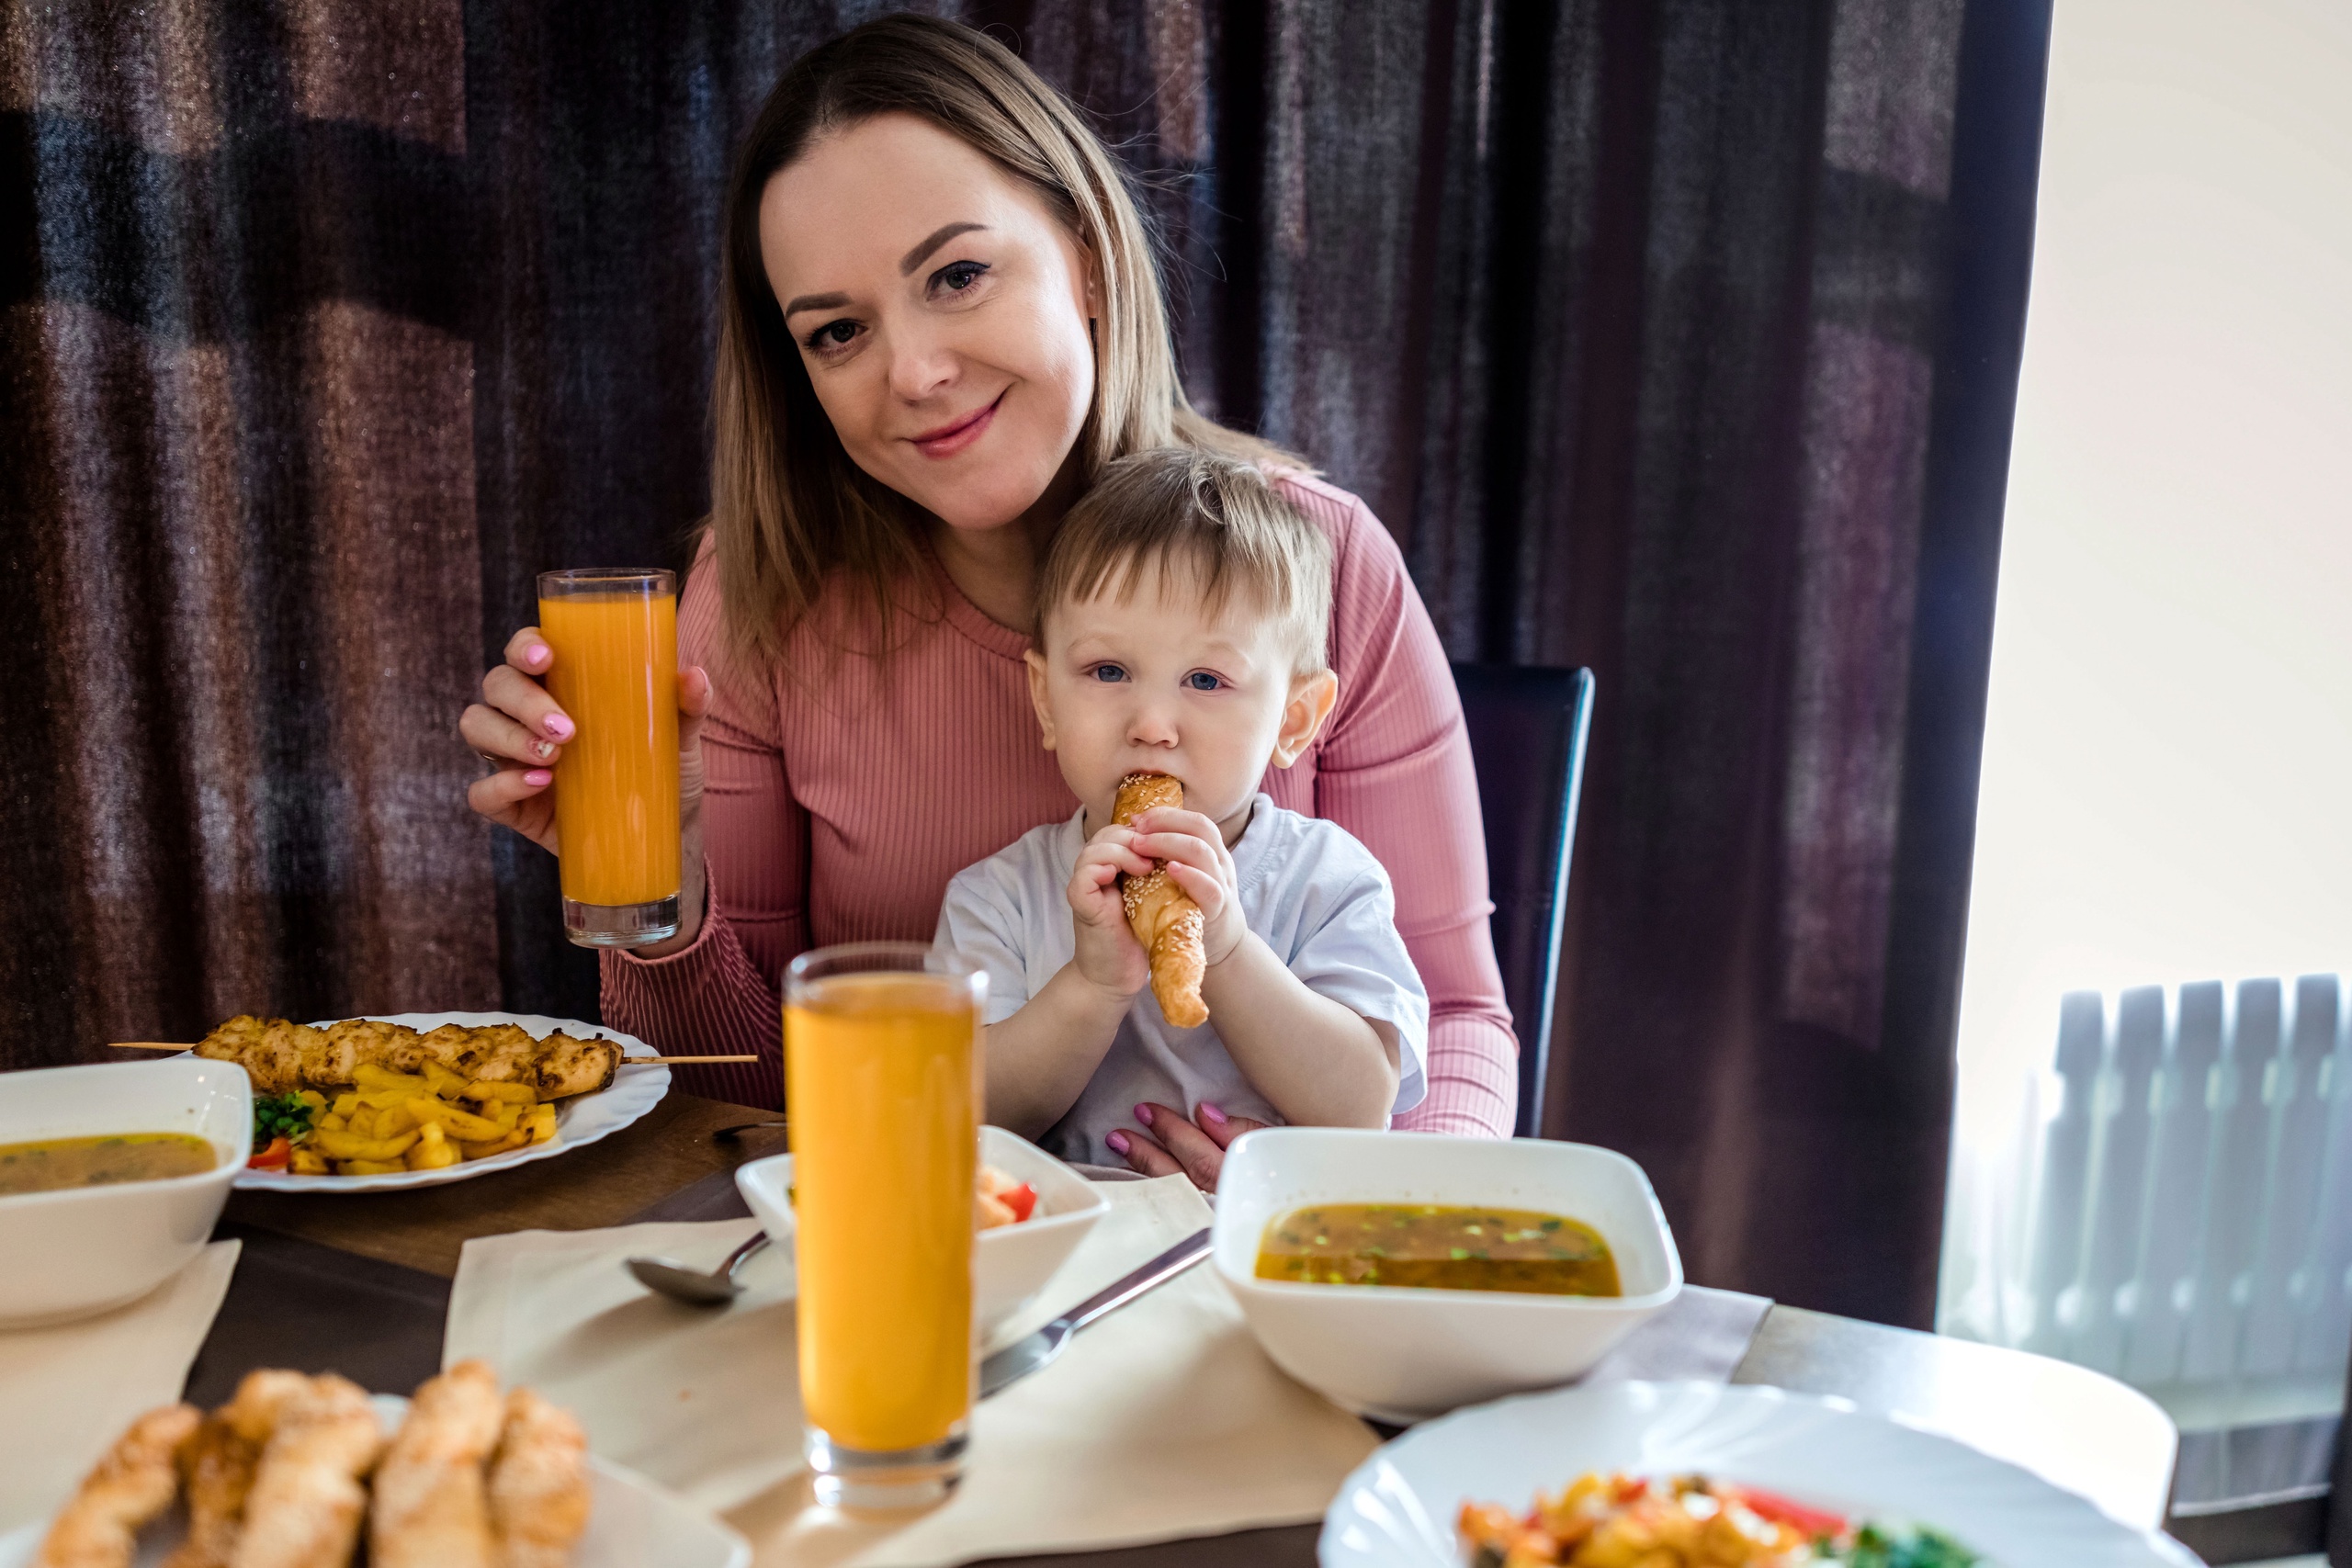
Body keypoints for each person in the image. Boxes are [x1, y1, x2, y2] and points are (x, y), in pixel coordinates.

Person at [458, 14, 1514, 1187]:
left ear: (1089, 261)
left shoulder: (1323, 561)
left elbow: (1454, 1022)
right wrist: (659, 891)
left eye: (958, 276)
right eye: (838, 331)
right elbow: (748, 1105)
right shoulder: (755, 602)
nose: (914, 373)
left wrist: (1335, 1208)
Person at [936, 448, 1429, 1168]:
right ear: (1045, 699)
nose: (1152, 725)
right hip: (1056, 1230)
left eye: (1205, 680)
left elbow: (1361, 1105)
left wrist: (1225, 949)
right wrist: (1092, 985)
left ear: (1293, 719)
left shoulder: (1324, 880)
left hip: (1257, 1227)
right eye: (1108, 670)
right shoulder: (999, 897)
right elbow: (960, 1114)